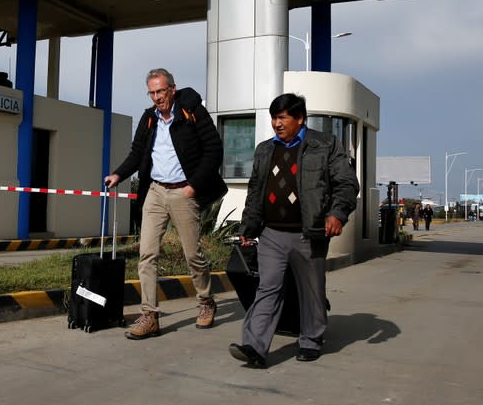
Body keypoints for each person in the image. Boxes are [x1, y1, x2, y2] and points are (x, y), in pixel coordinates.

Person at [228, 93, 359, 367]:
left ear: (300, 118)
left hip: (308, 232)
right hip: (271, 233)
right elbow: (255, 192)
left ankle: (311, 340)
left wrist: (337, 214)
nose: (277, 123)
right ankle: (254, 346)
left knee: (311, 290)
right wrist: (248, 227)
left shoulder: (325, 145)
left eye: (282, 117)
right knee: (267, 288)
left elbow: (346, 183)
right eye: (274, 118)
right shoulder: (265, 150)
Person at [105, 68, 227, 340]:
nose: (157, 97)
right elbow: (137, 153)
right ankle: (150, 315)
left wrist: (193, 185)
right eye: (152, 92)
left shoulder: (191, 112)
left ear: (172, 89)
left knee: (192, 254)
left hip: (183, 192)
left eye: (161, 91)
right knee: (147, 254)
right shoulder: (149, 118)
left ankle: (206, 300)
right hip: (156, 192)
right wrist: (118, 174)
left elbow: (214, 150)